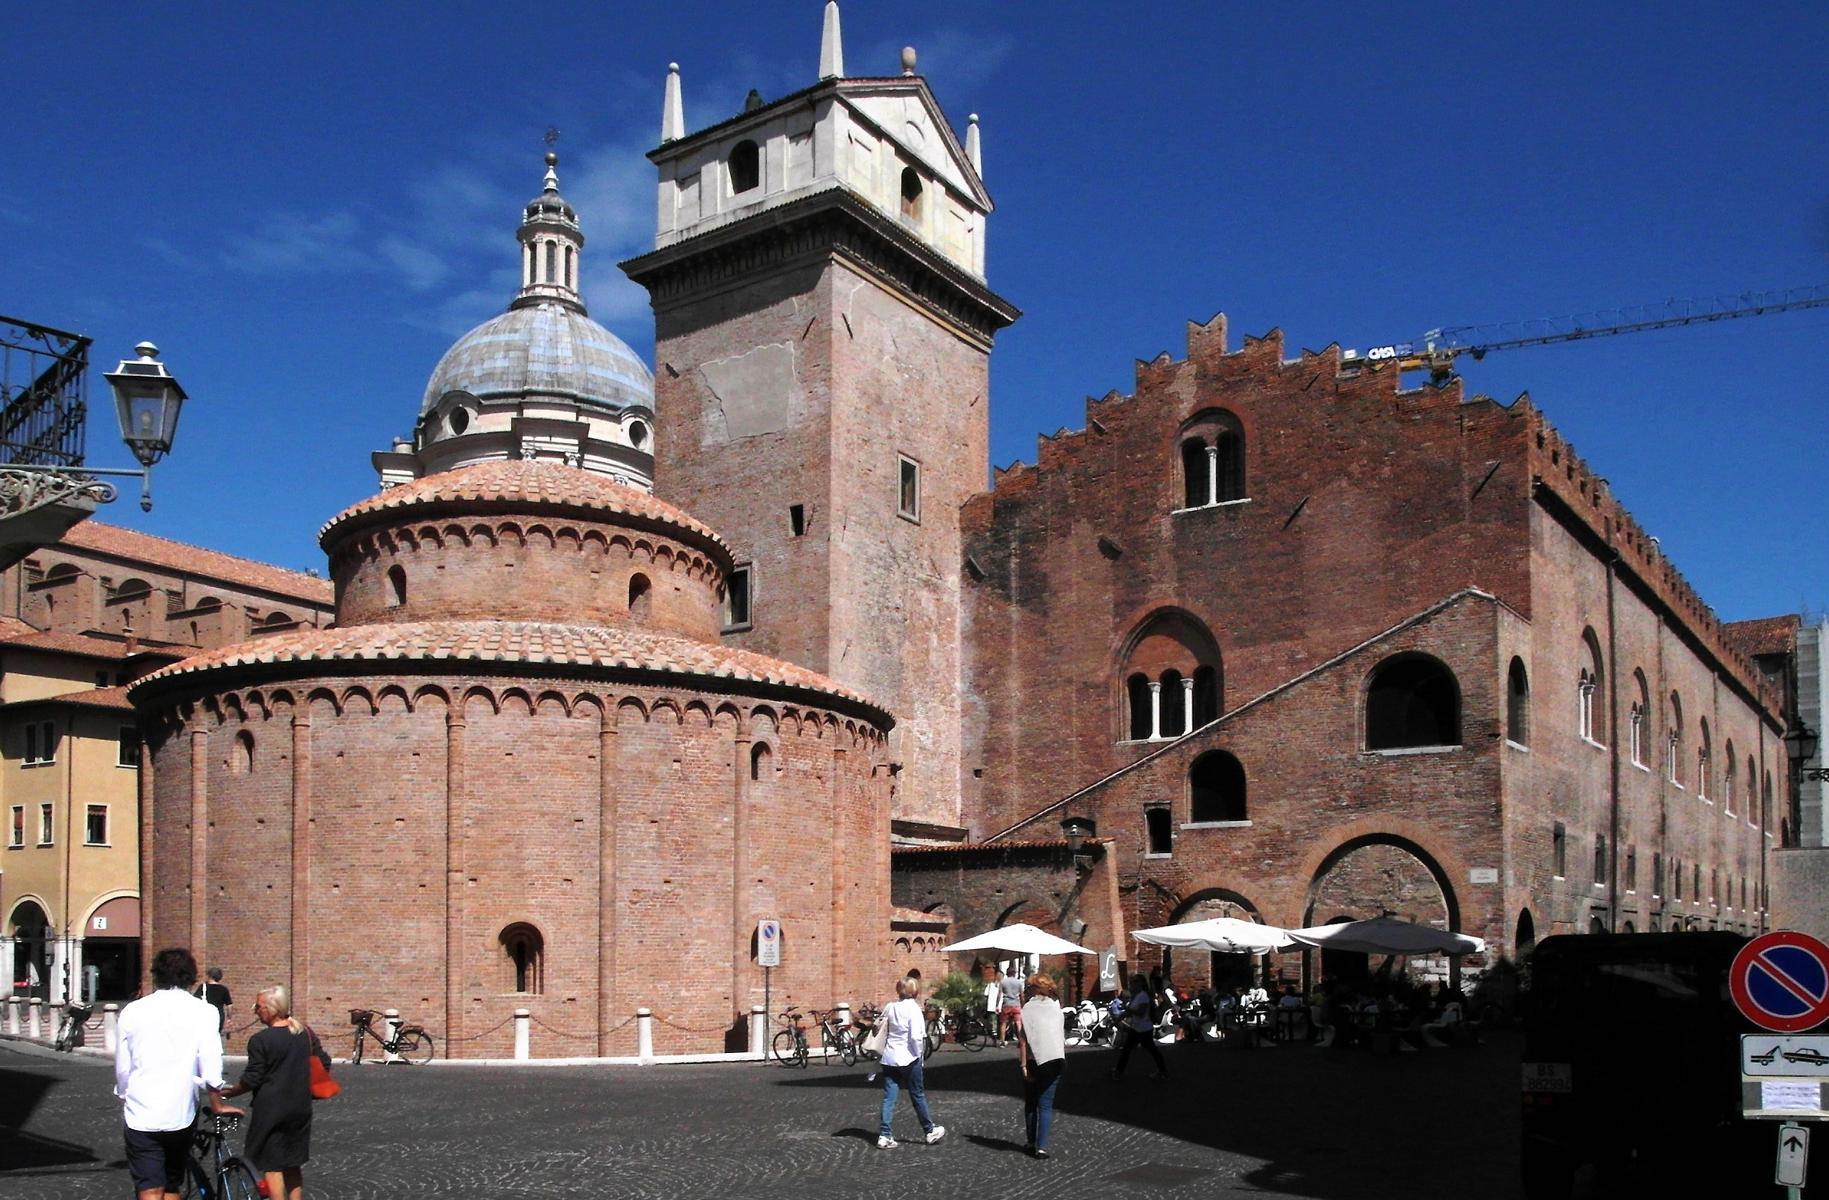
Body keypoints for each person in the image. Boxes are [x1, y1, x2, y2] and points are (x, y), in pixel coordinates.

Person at [114, 947, 232, 1200]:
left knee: (149, 1184)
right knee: (171, 1182)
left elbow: (123, 1067)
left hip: (141, 1110)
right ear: (190, 977)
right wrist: (217, 1100)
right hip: (181, 1110)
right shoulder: (204, 1011)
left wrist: (124, 1092)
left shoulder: (132, 1011)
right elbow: (211, 1063)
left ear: (156, 975)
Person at [220, 986, 328, 1200]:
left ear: (271, 1009)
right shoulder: (304, 1033)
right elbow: (323, 1062)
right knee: (292, 1161)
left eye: (258, 1006)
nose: (255, 1010)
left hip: (271, 1110)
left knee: (272, 1164)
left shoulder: (261, 1040)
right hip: (300, 1107)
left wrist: (230, 1092)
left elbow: (252, 1078)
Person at [876, 976, 945, 1150]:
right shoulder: (914, 1009)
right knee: (917, 1094)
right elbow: (915, 1037)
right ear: (915, 992)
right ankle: (929, 1130)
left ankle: (884, 1135)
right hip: (909, 1057)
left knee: (889, 1097)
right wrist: (919, 1056)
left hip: (890, 1057)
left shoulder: (890, 1007)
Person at [1017, 973, 1066, 1158]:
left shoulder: (1028, 1009)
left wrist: (1023, 1065)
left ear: (1034, 989)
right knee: (1045, 1105)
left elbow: (1023, 1041)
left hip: (1033, 1060)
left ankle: (1031, 1142)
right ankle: (1042, 1147)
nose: (1026, 990)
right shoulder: (1056, 1008)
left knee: (1031, 1103)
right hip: (1055, 1059)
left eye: (1028, 987)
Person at [1110, 974, 1168, 1078]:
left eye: (1134, 982)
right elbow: (1128, 1013)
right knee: (1127, 1050)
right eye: (1132, 982)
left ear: (1140, 983)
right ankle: (1118, 1071)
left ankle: (1163, 1071)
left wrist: (1127, 1009)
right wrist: (1116, 1020)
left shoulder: (1143, 996)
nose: (1132, 984)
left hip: (1144, 1030)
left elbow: (1140, 1013)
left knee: (1152, 1050)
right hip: (1136, 1028)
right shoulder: (1135, 996)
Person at [196, 966, 232, 1036]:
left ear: (209, 976)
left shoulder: (203, 987)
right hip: (219, 1017)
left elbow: (195, 1001)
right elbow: (229, 1006)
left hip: (205, 1017)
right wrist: (229, 1019)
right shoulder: (224, 989)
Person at [998, 965, 1023, 1044]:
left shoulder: (1003, 982)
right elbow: (1022, 995)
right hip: (1016, 1004)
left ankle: (1002, 1041)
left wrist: (997, 1004)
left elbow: (999, 994)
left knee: (1003, 1023)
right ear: (1014, 973)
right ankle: (1021, 1040)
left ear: (1007, 973)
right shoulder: (1019, 982)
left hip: (1006, 1004)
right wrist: (1023, 1004)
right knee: (1018, 1023)